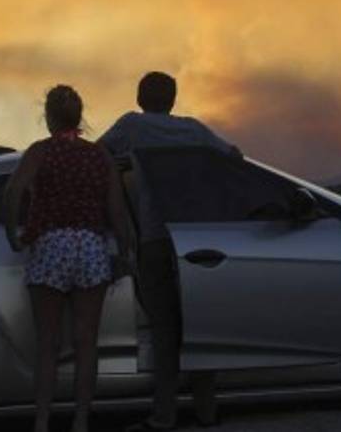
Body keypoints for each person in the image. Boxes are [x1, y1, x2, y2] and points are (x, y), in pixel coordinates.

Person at [98, 71, 238, 431]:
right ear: (173, 100)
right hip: (198, 240)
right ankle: (207, 412)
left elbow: (96, 154)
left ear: (139, 98)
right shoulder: (193, 130)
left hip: (157, 241)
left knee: (165, 332)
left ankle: (164, 416)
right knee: (201, 328)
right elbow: (234, 156)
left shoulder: (132, 127)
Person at [3, 85, 133, 432]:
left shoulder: (39, 153)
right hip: (91, 246)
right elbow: (117, 210)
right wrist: (125, 250)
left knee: (48, 343)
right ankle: (80, 420)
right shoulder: (99, 156)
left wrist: (12, 234)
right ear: (81, 117)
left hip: (50, 245)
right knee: (86, 341)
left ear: (47, 117)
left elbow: (14, 191)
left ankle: (42, 421)